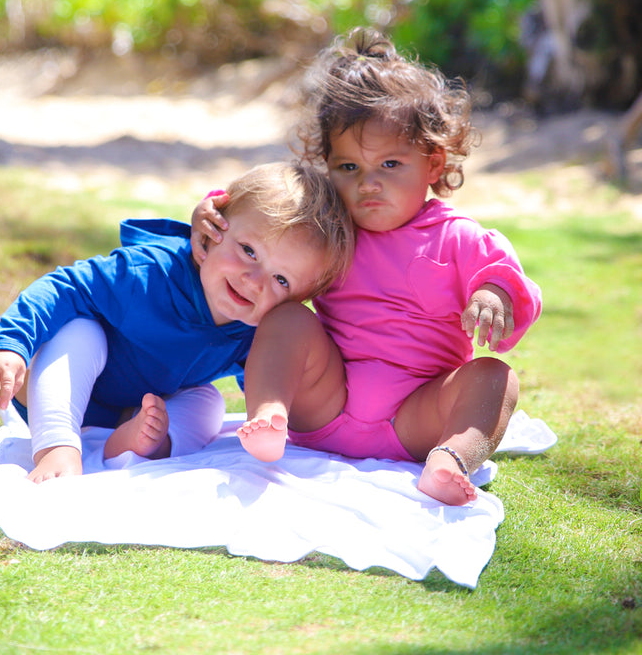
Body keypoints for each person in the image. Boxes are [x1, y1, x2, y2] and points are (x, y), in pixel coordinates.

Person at [192, 29, 542, 506]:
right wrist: (211, 209)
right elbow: (264, 217)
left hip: (415, 416)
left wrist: (491, 296)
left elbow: (506, 277)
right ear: (327, 164)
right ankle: (270, 415)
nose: (368, 184)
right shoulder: (330, 226)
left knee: (496, 378)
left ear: (434, 164)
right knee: (289, 319)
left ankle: (451, 458)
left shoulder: (458, 235)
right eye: (349, 167)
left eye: (391, 164)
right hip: (325, 403)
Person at [0, 161, 353, 483]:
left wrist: (278, 421)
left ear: (297, 298)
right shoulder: (149, 272)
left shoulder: (251, 330)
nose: (254, 280)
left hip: (132, 409)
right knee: (81, 330)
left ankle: (136, 442)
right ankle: (57, 449)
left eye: (281, 279)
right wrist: (9, 344)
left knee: (208, 402)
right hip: (52, 384)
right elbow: (62, 287)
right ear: (214, 228)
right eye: (249, 250)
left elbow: (266, 382)